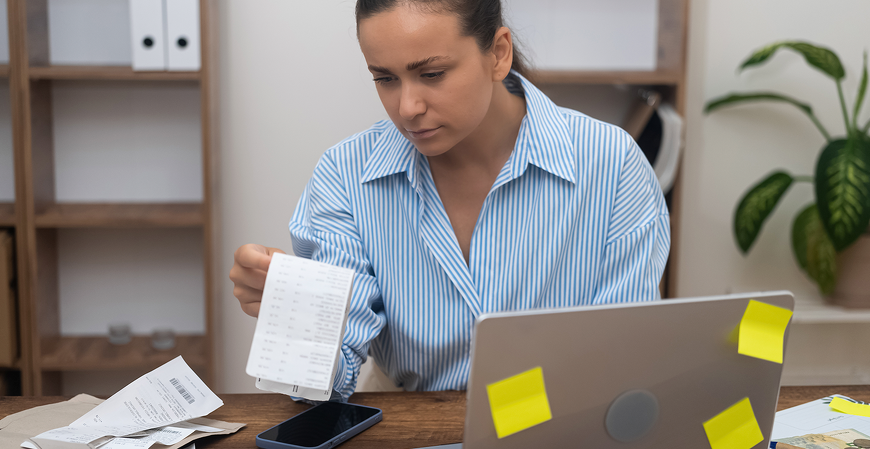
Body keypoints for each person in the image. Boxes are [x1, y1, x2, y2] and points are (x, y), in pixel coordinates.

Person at [230, 0, 670, 400]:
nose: (407, 107)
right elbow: (326, 382)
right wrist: (297, 319)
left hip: (565, 420)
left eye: (432, 74)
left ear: (498, 53)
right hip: (407, 416)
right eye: (384, 78)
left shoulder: (612, 166)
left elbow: (619, 361)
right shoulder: (345, 176)